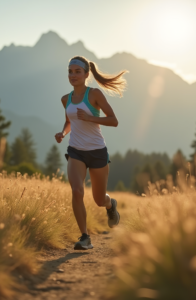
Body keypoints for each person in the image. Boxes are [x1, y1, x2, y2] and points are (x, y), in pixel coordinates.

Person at [55, 56, 128, 250]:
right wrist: (62, 133)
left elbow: (113, 120)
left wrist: (90, 118)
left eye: (77, 71)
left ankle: (110, 205)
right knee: (77, 191)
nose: (73, 75)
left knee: (98, 200)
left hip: (97, 152)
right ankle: (84, 237)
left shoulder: (94, 94)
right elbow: (70, 121)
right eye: (70, 71)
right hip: (76, 151)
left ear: (87, 74)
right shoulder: (66, 99)